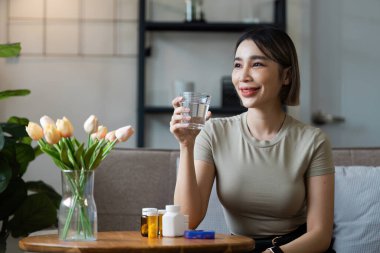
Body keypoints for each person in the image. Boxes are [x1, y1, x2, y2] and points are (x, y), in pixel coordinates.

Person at [169, 26, 335, 253]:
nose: (243, 76)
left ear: (286, 75)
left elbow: (320, 235)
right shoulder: (213, 132)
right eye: (238, 65)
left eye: (257, 64)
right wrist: (186, 145)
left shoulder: (314, 141)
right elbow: (188, 220)